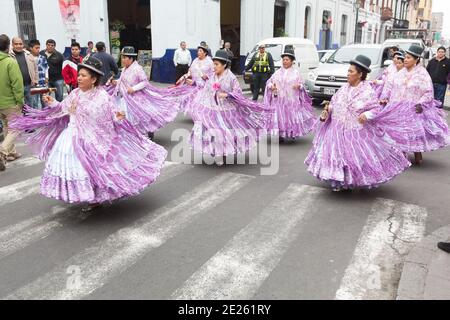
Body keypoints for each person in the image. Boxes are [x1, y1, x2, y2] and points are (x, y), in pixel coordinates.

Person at [10, 56, 167, 212]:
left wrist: (117, 118)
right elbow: (63, 108)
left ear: (93, 79)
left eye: (83, 75)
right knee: (79, 169)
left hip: (94, 139)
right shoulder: (75, 93)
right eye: (79, 75)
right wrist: (52, 103)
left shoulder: (102, 96)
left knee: (93, 168)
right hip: (72, 137)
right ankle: (86, 194)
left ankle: (96, 197)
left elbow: (110, 115)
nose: (79, 78)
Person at [305, 55, 416, 192]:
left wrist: (367, 114)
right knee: (338, 156)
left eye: (351, 71)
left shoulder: (367, 91)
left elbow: (375, 108)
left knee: (352, 158)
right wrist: (328, 110)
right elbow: (334, 103)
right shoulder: (343, 88)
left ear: (360, 74)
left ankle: (350, 181)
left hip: (356, 133)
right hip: (337, 131)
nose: (348, 74)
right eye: (348, 71)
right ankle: (340, 181)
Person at [189, 50, 273, 162]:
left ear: (224, 65)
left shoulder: (231, 77)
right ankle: (217, 150)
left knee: (225, 133)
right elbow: (205, 87)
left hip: (228, 111)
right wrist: (194, 83)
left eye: (217, 64)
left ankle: (223, 153)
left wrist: (228, 95)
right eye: (213, 64)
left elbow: (238, 93)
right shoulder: (211, 76)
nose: (214, 67)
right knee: (212, 130)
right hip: (214, 109)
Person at [381, 45, 450, 165]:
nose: (405, 60)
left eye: (408, 58)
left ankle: (418, 154)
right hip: (397, 108)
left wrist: (420, 104)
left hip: (413, 109)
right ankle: (401, 156)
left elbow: (428, 92)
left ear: (416, 59)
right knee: (399, 133)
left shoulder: (422, 74)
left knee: (414, 134)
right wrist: (384, 98)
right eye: (405, 58)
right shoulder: (399, 73)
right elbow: (389, 85)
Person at [109, 47, 180, 140]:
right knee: (127, 118)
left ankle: (146, 135)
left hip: (137, 98)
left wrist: (134, 88)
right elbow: (122, 81)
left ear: (130, 58)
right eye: (122, 57)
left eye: (124, 58)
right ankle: (134, 137)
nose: (122, 60)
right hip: (126, 99)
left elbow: (144, 82)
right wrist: (115, 82)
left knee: (141, 118)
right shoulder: (124, 69)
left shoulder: (137, 68)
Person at [264, 48, 315, 141]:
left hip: (291, 101)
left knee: (290, 117)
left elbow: (302, 85)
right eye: (283, 60)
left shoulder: (296, 73)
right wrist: (271, 86)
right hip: (279, 101)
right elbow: (269, 83)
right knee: (279, 117)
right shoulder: (277, 73)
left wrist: (299, 86)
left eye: (287, 60)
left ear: (292, 61)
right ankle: (280, 135)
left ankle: (291, 132)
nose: (285, 61)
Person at [0, 34, 24, 169]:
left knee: (6, 126)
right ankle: (3, 150)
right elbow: (17, 84)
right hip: (11, 102)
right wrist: (20, 101)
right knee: (15, 128)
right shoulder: (10, 62)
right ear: (8, 46)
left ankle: (11, 153)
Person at [173, 43, 215, 117]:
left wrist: (207, 76)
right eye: (198, 51)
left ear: (205, 53)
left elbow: (213, 73)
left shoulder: (209, 61)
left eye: (200, 51)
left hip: (204, 85)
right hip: (194, 83)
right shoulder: (195, 60)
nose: (198, 52)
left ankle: (203, 115)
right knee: (192, 99)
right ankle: (197, 115)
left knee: (201, 101)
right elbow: (190, 71)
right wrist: (184, 77)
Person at [9, 37, 38, 108]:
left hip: (29, 85)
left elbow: (35, 68)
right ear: (12, 44)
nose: (18, 46)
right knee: (19, 107)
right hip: (17, 88)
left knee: (30, 106)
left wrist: (35, 80)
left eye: (20, 44)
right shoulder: (9, 56)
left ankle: (30, 119)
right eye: (16, 44)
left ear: (23, 44)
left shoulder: (28, 54)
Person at [28, 39, 49, 109]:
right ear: (31, 48)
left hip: (43, 83)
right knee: (34, 102)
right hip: (34, 84)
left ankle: (45, 116)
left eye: (39, 48)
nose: (38, 49)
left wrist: (46, 77)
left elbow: (46, 68)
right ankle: (37, 117)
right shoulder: (28, 58)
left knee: (44, 101)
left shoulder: (42, 58)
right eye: (36, 48)